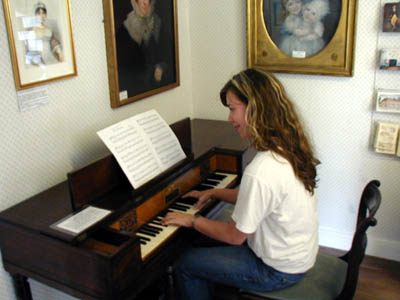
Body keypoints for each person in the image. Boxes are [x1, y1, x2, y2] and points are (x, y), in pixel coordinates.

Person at [161, 68, 320, 300]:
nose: (229, 119)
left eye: (233, 109)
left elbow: (235, 236)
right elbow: (258, 200)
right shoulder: (286, 148)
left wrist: (192, 219)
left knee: (186, 264)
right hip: (297, 255)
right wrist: (215, 192)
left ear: (256, 108)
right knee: (197, 238)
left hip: (276, 270)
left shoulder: (264, 169)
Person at [116, 0, 174, 97]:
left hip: (159, 91)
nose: (145, 3)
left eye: (148, 0)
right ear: (135, 2)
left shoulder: (159, 25)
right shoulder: (124, 30)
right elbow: (122, 70)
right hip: (135, 94)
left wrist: (162, 67)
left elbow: (170, 57)